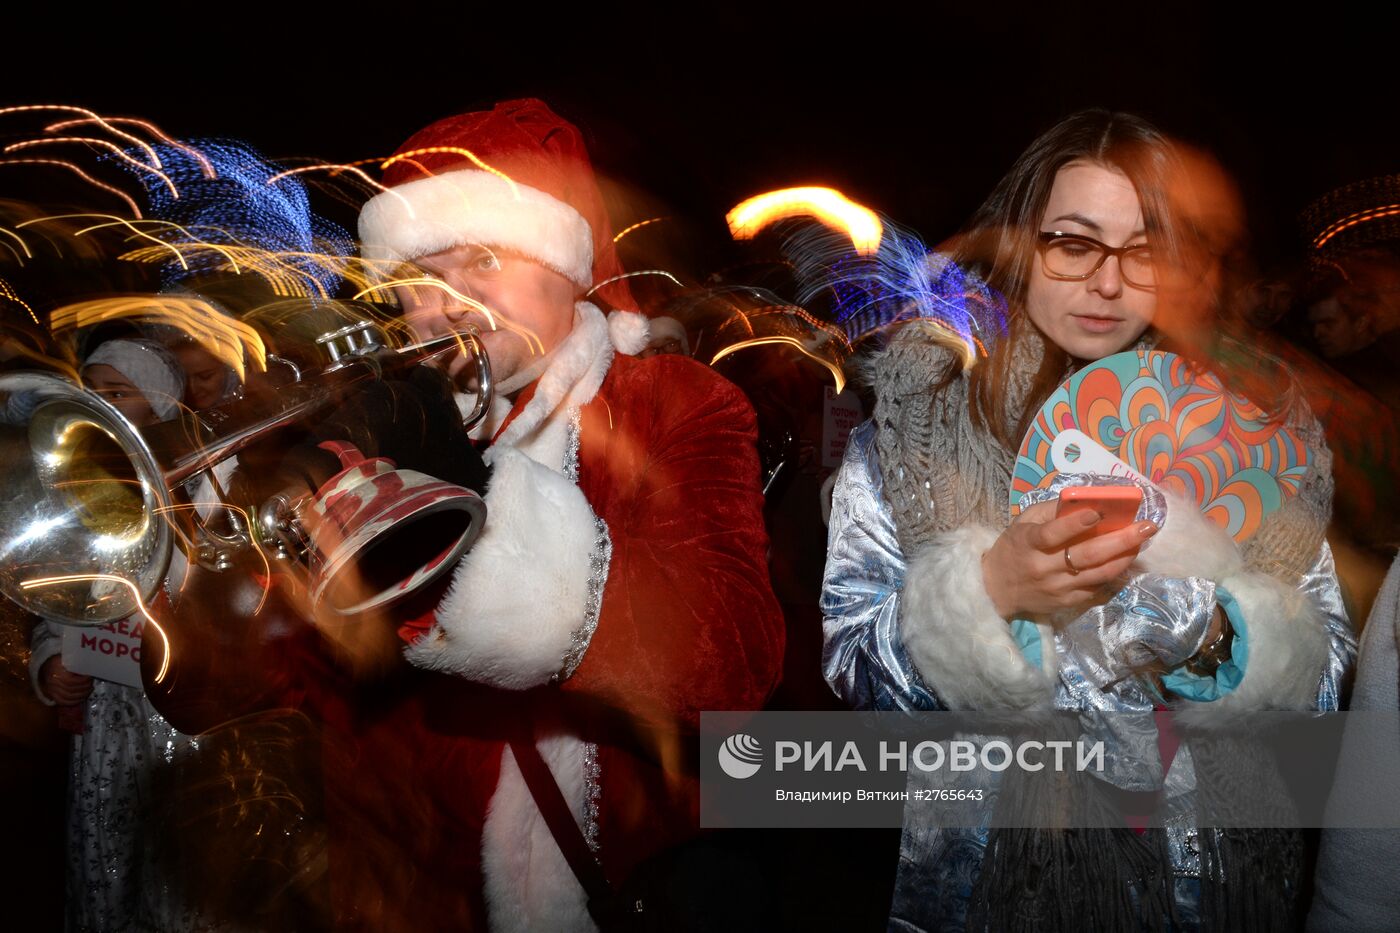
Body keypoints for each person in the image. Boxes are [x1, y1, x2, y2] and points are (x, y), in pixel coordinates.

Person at [214, 98, 783, 931]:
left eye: (483, 258)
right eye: (417, 281)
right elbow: (270, 689)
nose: (446, 304)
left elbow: (733, 664)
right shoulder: (376, 423)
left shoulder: (676, 405)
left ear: (565, 267)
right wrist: (207, 562)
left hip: (617, 878)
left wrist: (469, 505)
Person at [821, 110, 1355, 931]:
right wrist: (989, 592)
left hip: (1204, 876)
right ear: (1018, 246)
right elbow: (853, 668)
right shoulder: (915, 428)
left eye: (1141, 250)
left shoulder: (1246, 433)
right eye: (1073, 243)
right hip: (990, 879)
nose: (1108, 283)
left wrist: (1216, 634)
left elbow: (1322, 682)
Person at [29, 338, 208, 932]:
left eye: (117, 393)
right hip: (108, 717)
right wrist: (53, 662)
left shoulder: (203, 483)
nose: (98, 404)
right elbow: (57, 599)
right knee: (107, 850)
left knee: (184, 862)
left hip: (183, 720)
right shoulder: (77, 492)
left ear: (158, 406)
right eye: (92, 391)